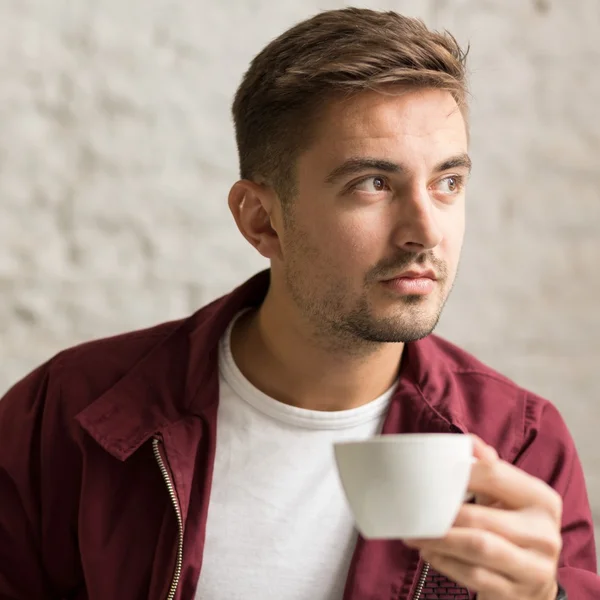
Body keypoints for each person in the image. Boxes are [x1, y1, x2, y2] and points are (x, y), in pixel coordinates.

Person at [0, 7, 597, 600]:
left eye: (448, 182)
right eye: (373, 184)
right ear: (262, 220)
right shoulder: (66, 417)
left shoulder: (521, 444)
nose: (426, 230)